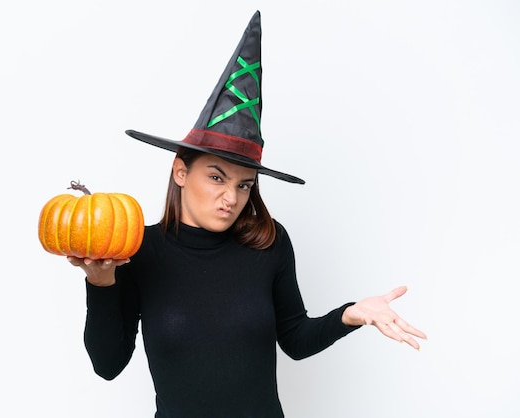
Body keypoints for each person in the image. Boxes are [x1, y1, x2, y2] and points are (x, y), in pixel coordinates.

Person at [67, 11, 426, 417]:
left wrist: (350, 314)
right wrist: (100, 283)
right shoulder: (137, 248)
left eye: (244, 184)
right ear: (181, 171)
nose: (231, 197)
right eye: (217, 177)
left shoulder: (269, 242)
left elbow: (295, 339)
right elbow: (108, 365)